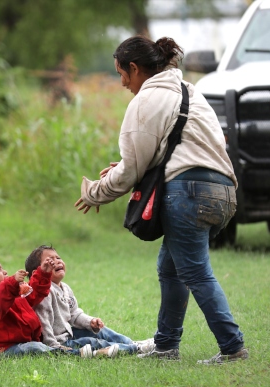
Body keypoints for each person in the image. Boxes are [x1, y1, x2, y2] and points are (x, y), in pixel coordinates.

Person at [75, 36, 247, 365]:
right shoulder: (189, 91)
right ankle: (166, 345)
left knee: (195, 272)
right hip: (223, 191)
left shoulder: (147, 99)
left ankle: (232, 346)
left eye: (122, 74)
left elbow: (130, 170)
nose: (123, 83)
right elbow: (171, 152)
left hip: (189, 193)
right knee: (171, 267)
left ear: (135, 68)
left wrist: (95, 190)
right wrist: (132, 170)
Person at [25, 245, 155, 358]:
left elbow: (74, 314)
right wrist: (53, 346)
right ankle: (134, 349)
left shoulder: (65, 288)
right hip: (59, 342)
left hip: (69, 333)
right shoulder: (44, 293)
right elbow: (43, 321)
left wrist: (90, 322)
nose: (57, 262)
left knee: (101, 331)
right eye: (50, 261)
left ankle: (132, 343)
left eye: (58, 258)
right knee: (93, 342)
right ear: (37, 272)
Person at [0, 256, 97, 358]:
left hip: (25, 343)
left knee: (37, 345)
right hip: (2, 349)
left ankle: (107, 348)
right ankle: (76, 355)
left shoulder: (12, 293)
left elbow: (33, 294)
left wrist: (44, 274)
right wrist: (11, 284)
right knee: (35, 348)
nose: (5, 271)